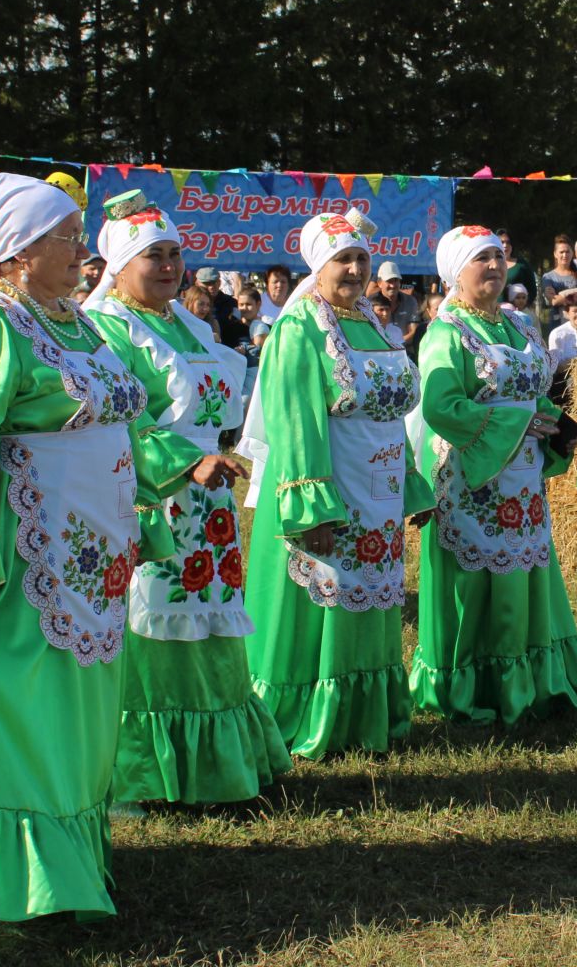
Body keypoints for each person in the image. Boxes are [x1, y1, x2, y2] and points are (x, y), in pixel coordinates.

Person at [0, 173, 226, 923]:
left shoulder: (75, 321)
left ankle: (80, 863)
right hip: (30, 557)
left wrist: (156, 488)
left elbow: (120, 424)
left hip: (94, 552)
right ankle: (39, 886)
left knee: (85, 711)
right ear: (17, 253)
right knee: (38, 711)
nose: (81, 249)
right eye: (64, 237)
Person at [83, 191, 289, 802]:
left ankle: (219, 763)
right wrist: (184, 462)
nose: (169, 265)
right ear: (120, 267)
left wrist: (212, 458)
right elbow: (120, 418)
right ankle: (149, 775)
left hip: (208, 495)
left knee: (209, 621)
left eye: (175, 253)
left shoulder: (189, 323)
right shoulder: (108, 328)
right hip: (154, 496)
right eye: (153, 256)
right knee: (157, 623)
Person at [240, 213, 436, 759]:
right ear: (317, 266)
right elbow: (295, 422)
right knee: (326, 598)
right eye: (341, 260)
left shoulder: (374, 326)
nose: (354, 269)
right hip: (330, 490)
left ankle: (365, 714)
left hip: (376, 491)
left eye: (361, 259)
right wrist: (312, 506)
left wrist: (407, 486)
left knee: (369, 600)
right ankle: (310, 712)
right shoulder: (300, 327)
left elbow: (392, 415)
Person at [411, 224, 577, 726]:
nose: (494, 266)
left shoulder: (519, 324)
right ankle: (480, 682)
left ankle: (528, 677)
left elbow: (531, 388)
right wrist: (518, 423)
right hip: (471, 480)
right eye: (481, 259)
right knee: (479, 581)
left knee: (522, 573)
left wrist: (555, 422)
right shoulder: (445, 333)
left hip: (523, 480)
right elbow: (441, 405)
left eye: (498, 255)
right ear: (456, 272)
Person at [538, 233, 577, 334]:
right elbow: (554, 301)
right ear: (555, 254)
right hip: (556, 323)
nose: (565, 255)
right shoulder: (548, 277)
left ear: (572, 253)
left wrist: (561, 295)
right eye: (561, 252)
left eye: (567, 252)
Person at [547, 289, 577, 375]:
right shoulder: (558, 334)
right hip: (564, 380)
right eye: (575, 311)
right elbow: (556, 367)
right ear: (567, 313)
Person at [496, 228, 536, 306]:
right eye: (502, 242)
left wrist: (524, 305)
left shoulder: (521, 264)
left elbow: (532, 290)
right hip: (494, 311)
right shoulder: (490, 265)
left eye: (508, 242)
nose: (505, 245)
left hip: (518, 313)